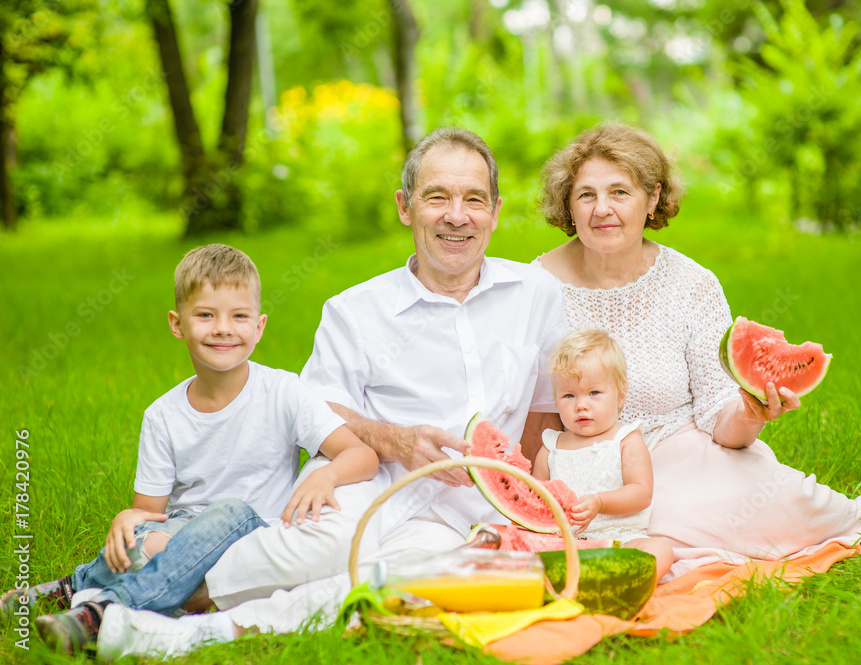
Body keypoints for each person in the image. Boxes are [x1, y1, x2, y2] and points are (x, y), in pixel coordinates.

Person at [91, 127, 570, 660]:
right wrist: (396, 440)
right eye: (437, 197)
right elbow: (318, 404)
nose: (456, 216)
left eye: (474, 200)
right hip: (365, 474)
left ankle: (173, 625)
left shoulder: (535, 294)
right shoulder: (354, 310)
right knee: (327, 547)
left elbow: (543, 414)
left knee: (395, 580)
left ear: (496, 212)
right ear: (405, 207)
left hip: (458, 508)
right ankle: (122, 587)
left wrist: (528, 504)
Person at [533, 123, 861, 577]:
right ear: (569, 204)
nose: (602, 209)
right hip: (577, 461)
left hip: (680, 454)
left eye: (619, 192)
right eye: (586, 195)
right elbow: (526, 407)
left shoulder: (691, 284)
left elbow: (719, 415)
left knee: (761, 503)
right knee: (654, 524)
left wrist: (750, 413)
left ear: (653, 197)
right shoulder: (536, 285)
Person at [8, 244, 379, 655]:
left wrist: (326, 475)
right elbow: (149, 511)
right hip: (179, 536)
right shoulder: (162, 415)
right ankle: (78, 592)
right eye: (205, 315)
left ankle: (102, 609)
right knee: (145, 545)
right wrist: (127, 518)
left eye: (239, 316)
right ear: (177, 323)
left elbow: (363, 456)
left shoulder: (284, 391)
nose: (223, 329)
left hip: (253, 537)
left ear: (259, 326)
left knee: (229, 511)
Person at [534, 327, 673, 580]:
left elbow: (641, 493)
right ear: (555, 400)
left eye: (594, 393)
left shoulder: (626, 440)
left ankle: (622, 583)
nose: (581, 405)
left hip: (622, 541)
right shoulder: (550, 447)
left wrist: (600, 502)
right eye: (568, 395)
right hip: (565, 545)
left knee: (660, 549)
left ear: (621, 395)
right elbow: (536, 501)